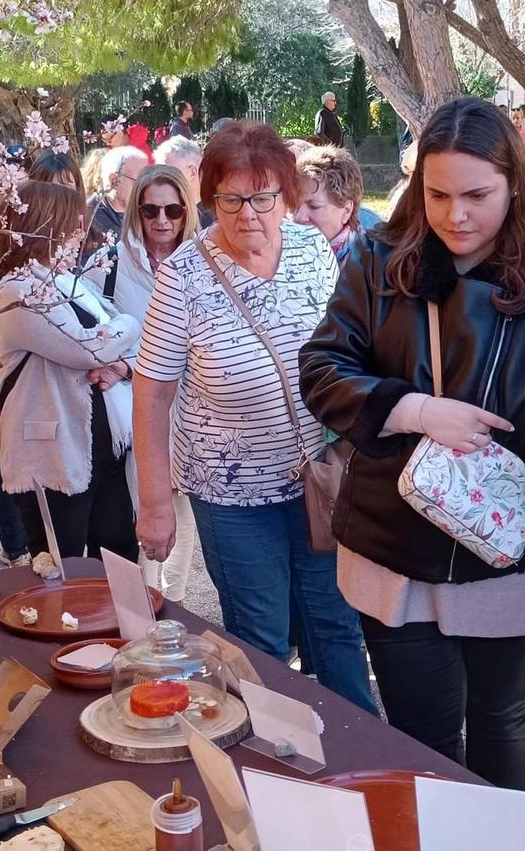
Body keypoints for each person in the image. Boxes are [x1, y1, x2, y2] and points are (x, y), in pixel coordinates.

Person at [300, 97, 525, 787]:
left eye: (477, 194)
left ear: (516, 184)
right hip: (393, 534)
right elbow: (323, 370)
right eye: (438, 194)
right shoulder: (377, 259)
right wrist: (416, 411)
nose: (456, 215)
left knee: (504, 718)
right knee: (421, 730)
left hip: (511, 542)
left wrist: (505, 475)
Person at [132, 119, 377, 714]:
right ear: (210, 200)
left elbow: (346, 349)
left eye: (263, 198)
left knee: (336, 626)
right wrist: (157, 502)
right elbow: (153, 391)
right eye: (232, 199)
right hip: (231, 494)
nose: (249, 214)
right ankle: (274, 763)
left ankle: (363, 760)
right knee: (262, 640)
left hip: (316, 478)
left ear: (286, 197)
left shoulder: (312, 250)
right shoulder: (183, 273)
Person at [0, 180, 142, 560]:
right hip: (55, 451)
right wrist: (129, 322)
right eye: (71, 222)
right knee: (64, 563)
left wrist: (116, 340)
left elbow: (104, 339)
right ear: (46, 227)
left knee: (118, 551)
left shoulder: (64, 282)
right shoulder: (20, 290)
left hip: (100, 448)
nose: (80, 230)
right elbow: (87, 347)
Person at [105, 163, 203, 601]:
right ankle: (146, 602)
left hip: (196, 408)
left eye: (173, 210)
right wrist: (123, 366)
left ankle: (175, 600)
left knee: (184, 512)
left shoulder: (204, 262)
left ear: (187, 211)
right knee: (146, 504)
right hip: (140, 409)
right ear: (135, 212)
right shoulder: (110, 261)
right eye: (150, 210)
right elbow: (92, 327)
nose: (162, 220)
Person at [291, 145, 381, 260]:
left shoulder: (376, 258)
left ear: (346, 211)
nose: (299, 217)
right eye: (293, 205)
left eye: (314, 206)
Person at [89, 146, 147, 243]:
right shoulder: (86, 220)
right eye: (138, 183)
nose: (143, 190)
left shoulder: (146, 216)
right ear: (113, 180)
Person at [156, 135, 212, 229]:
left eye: (168, 174)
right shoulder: (157, 213)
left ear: (192, 173)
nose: (160, 182)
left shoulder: (220, 219)